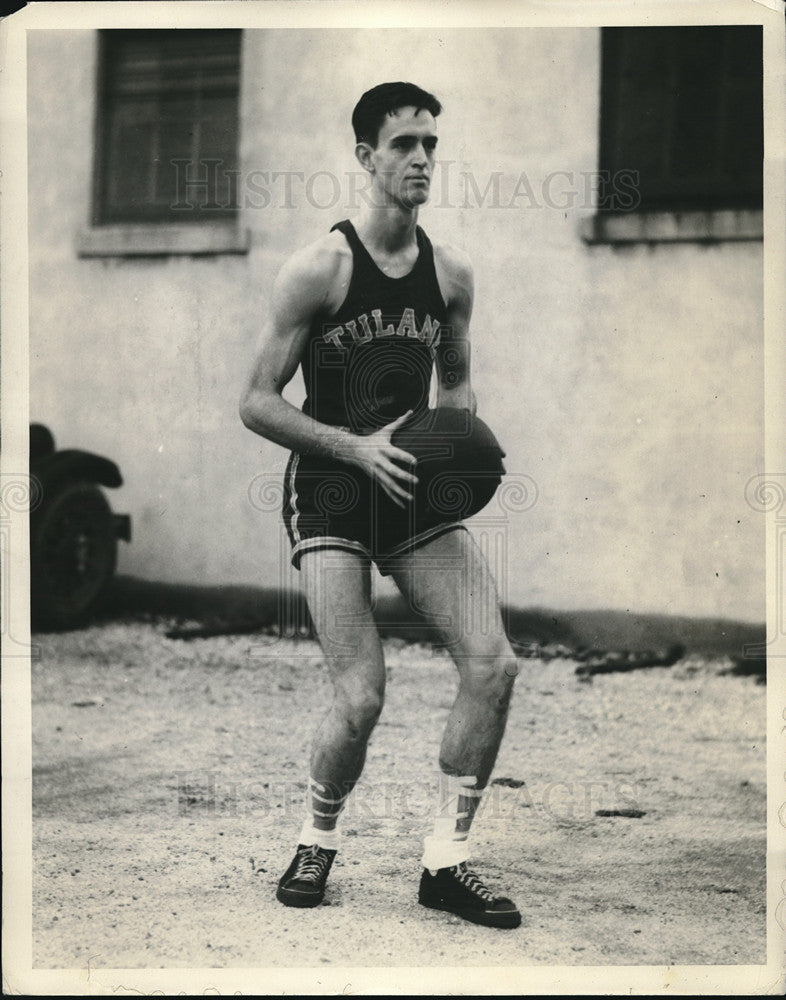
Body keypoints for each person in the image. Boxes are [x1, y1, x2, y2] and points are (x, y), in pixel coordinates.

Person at [239, 82, 521, 929]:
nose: (422, 160)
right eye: (404, 145)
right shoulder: (317, 269)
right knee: (361, 695)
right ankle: (316, 837)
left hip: (410, 491)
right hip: (330, 492)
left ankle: (445, 861)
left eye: (432, 144)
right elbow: (256, 401)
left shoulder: (451, 273)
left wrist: (452, 443)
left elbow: (459, 386)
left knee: (494, 663)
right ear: (367, 158)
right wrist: (354, 445)